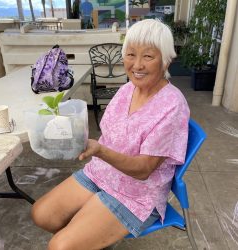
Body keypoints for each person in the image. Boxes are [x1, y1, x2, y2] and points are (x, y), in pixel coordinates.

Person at [31, 19, 190, 250]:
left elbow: (144, 169)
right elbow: (109, 131)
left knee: (60, 246)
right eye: (130, 54)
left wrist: (100, 150)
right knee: (41, 214)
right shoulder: (127, 89)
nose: (137, 65)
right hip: (103, 173)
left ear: (166, 60)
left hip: (137, 194)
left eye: (148, 56)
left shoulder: (172, 106)